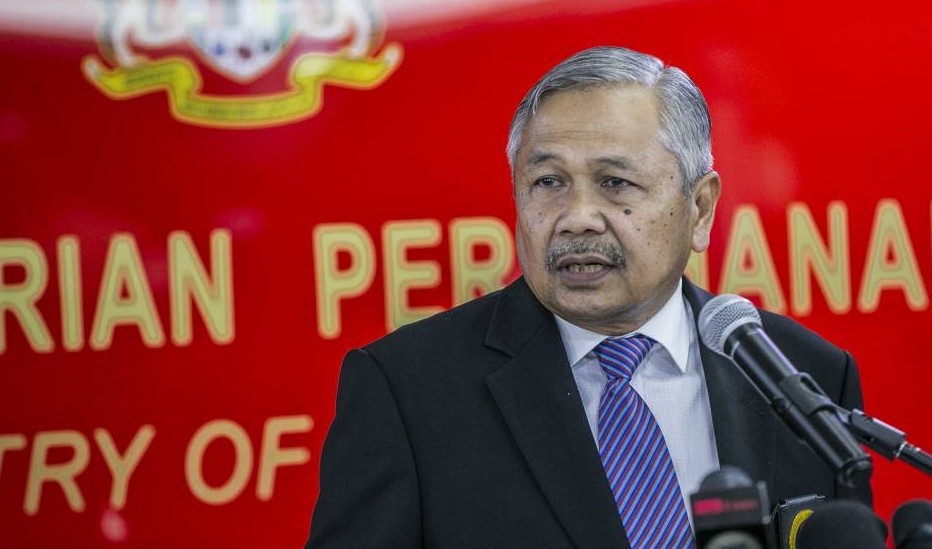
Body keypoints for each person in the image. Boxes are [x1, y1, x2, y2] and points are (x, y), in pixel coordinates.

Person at [305, 46, 871, 548]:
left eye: (614, 183)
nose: (576, 218)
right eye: (548, 182)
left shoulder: (806, 374)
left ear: (699, 210)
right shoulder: (408, 391)